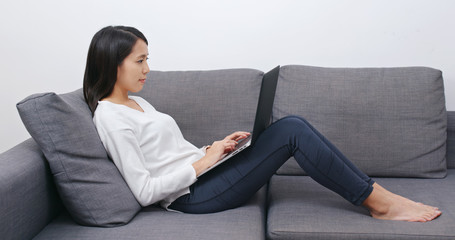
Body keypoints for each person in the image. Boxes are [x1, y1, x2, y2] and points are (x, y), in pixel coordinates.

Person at [84, 25, 441, 223]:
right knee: (292, 130)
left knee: (290, 127)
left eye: (149, 59)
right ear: (113, 63)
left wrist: (214, 149)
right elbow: (144, 191)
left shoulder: (138, 102)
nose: (148, 68)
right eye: (140, 60)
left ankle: (377, 196)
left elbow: (168, 154)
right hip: (190, 198)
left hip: (203, 175)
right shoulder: (111, 117)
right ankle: (379, 202)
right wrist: (203, 164)